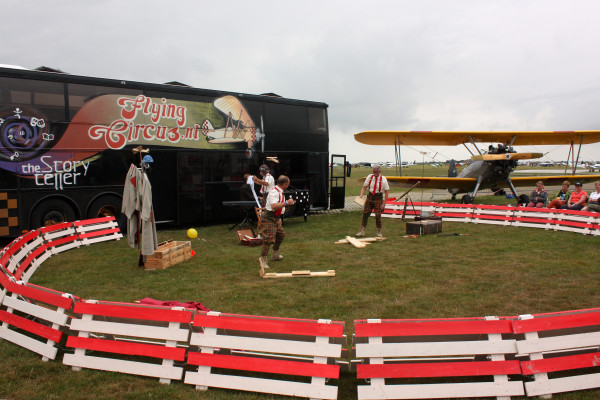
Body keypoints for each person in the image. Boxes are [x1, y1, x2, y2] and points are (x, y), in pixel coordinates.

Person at [258, 175, 295, 273]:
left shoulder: (280, 191)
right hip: (268, 218)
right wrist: (287, 203)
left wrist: (279, 218)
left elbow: (278, 207)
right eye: (288, 183)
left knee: (281, 235)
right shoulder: (274, 192)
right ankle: (263, 259)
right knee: (268, 239)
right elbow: (274, 206)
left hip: (275, 218)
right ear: (285, 184)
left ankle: (275, 254)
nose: (288, 185)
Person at [356, 165, 389, 238]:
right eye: (373, 172)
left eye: (376, 172)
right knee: (365, 214)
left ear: (380, 171)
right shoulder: (369, 177)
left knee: (378, 215)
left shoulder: (383, 179)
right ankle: (362, 231)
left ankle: (379, 232)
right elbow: (364, 187)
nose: (374, 174)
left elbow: (387, 192)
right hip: (370, 197)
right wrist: (361, 196)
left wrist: (384, 203)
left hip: (378, 198)